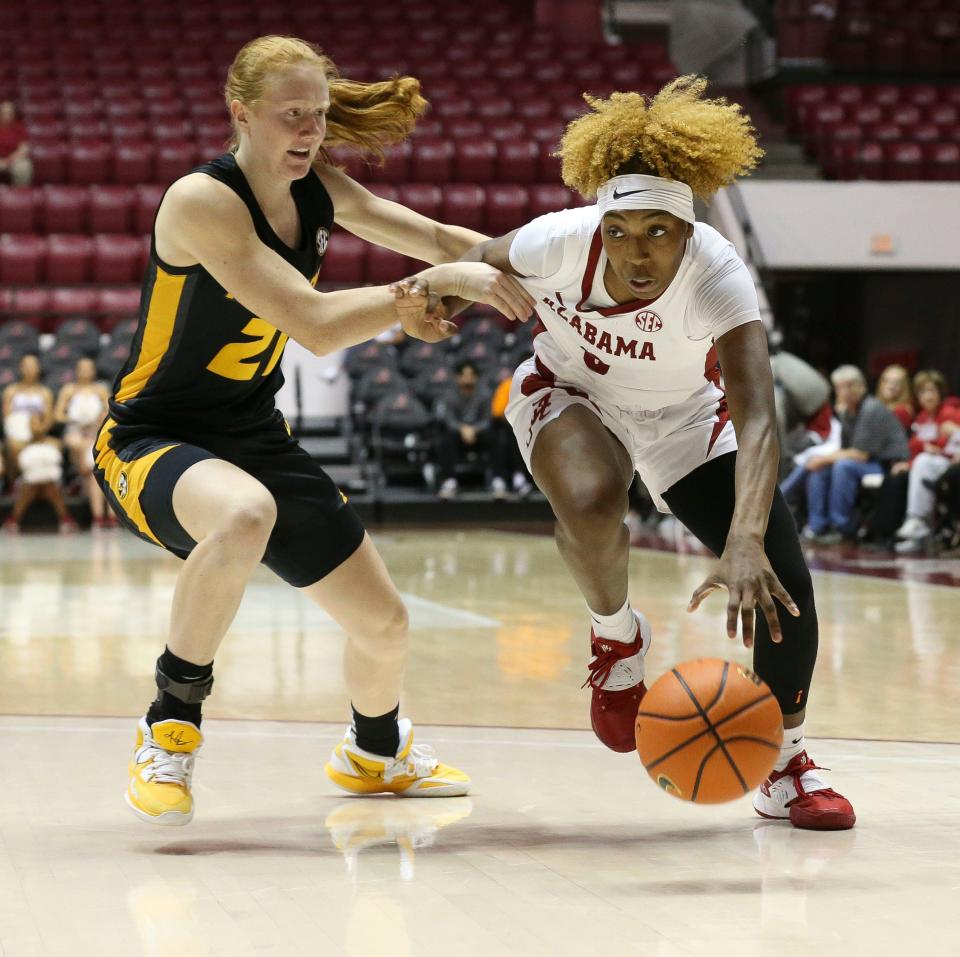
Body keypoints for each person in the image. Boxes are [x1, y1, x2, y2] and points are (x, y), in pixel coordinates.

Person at [95, 35, 535, 826]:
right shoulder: (200, 200)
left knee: (384, 623)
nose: (308, 132)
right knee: (241, 515)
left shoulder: (320, 187)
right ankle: (170, 725)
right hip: (153, 436)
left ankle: (375, 752)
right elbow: (314, 322)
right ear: (242, 113)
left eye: (319, 117)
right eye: (291, 115)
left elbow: (434, 239)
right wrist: (429, 289)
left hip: (253, 433)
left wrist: (540, 275)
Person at [461, 76, 855, 830]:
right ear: (599, 223)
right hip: (573, 388)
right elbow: (480, 257)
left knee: (783, 579)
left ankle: (785, 764)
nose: (636, 253)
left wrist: (744, 539)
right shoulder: (558, 239)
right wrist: (450, 286)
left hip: (683, 416)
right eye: (621, 231)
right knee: (590, 498)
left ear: (688, 231)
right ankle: (617, 637)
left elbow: (761, 417)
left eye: (658, 233)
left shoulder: (719, 274)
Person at [802, 364, 909, 544]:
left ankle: (842, 527)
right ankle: (817, 526)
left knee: (843, 465)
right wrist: (822, 461)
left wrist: (824, 459)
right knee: (821, 468)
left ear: (862, 385)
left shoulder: (871, 408)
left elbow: (861, 454)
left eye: (850, 385)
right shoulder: (847, 413)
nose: (845, 391)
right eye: (841, 386)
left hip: (886, 464)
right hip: (864, 462)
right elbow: (845, 449)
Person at [893, 370, 960, 552]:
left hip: (947, 463)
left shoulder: (949, 412)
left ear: (940, 393)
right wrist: (909, 462)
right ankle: (916, 529)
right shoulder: (921, 418)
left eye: (931, 391)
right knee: (905, 471)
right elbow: (914, 447)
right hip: (929, 464)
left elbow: (952, 444)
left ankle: (917, 520)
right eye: (923, 392)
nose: (928, 396)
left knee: (923, 462)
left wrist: (935, 446)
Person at [54, 357, 114, 528]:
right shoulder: (69, 390)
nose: (86, 371)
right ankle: (104, 515)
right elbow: (57, 414)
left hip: (96, 431)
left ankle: (101, 517)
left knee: (95, 469)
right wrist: (76, 418)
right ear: (76, 370)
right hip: (76, 431)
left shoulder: (100, 390)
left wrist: (97, 420)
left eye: (89, 368)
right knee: (80, 445)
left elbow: (111, 412)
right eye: (82, 368)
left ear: (94, 370)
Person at [2, 413, 77, 534]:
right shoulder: (19, 446)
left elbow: (64, 466)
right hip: (28, 485)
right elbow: (16, 471)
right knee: (33, 485)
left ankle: (13, 520)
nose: (35, 427)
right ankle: (66, 519)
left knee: (48, 485)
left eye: (38, 423)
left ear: (45, 425)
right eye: (32, 423)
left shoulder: (57, 443)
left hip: (51, 485)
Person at [434, 360, 493, 499]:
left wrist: (474, 430)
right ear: (458, 377)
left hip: (478, 433)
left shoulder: (484, 394)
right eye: (464, 375)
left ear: (476, 377)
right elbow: (448, 418)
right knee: (447, 437)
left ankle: (498, 480)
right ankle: (449, 481)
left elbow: (487, 419)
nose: (467, 378)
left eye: (471, 375)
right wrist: (463, 429)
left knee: (494, 436)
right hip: (458, 433)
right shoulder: (449, 394)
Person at [2, 353, 53, 485]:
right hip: (16, 434)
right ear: (20, 368)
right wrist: (22, 434)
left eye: (33, 365)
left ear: (38, 368)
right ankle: (14, 481)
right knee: (14, 446)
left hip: (38, 433)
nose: (30, 369)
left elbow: (48, 420)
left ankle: (37, 483)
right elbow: (7, 418)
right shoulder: (10, 391)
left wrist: (37, 433)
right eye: (27, 366)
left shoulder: (45, 392)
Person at [0, 100, 33, 186]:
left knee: (23, 167)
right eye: (3, 112)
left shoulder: (20, 127)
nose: (6, 115)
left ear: (14, 113)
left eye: (9, 113)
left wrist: (8, 161)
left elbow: (23, 149)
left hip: (14, 159)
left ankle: (19, 195)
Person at [874, 363, 914, 432]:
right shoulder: (876, 407)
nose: (891, 386)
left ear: (904, 387)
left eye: (896, 383)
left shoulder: (901, 411)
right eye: (886, 381)